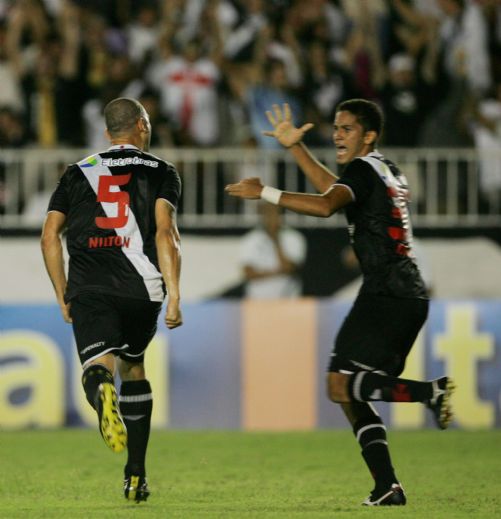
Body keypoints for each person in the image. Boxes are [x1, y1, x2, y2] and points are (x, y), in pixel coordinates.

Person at [225, 99, 454, 506]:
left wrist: (266, 192)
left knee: (339, 384)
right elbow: (334, 190)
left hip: (387, 292)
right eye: (335, 128)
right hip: (405, 293)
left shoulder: (363, 170)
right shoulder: (384, 169)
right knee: (348, 392)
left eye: (347, 129)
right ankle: (387, 487)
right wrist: (296, 148)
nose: (337, 135)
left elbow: (327, 204)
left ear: (369, 135)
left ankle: (429, 393)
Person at [41, 97, 182, 503]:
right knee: (133, 366)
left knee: (97, 367)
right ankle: (136, 474)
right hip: (142, 289)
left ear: (107, 133)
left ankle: (103, 390)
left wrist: (62, 293)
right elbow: (165, 233)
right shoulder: (163, 171)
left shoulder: (77, 172)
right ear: (142, 126)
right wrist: (175, 295)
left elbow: (49, 236)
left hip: (90, 285)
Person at [240, 203, 307, 298]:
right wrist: (278, 272)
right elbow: (249, 273)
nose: (270, 217)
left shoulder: (294, 237)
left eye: (273, 212)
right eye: (267, 213)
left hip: (288, 299)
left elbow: (288, 268)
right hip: (257, 300)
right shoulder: (251, 239)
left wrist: (275, 238)